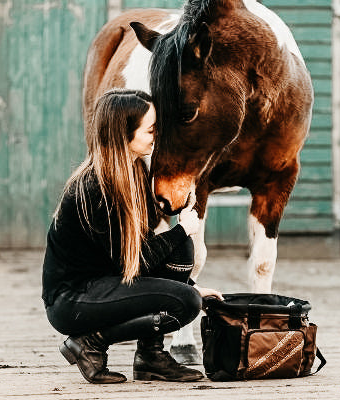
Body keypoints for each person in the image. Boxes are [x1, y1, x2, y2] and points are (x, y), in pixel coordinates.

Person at [42, 89, 223, 384]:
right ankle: (90, 342)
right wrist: (182, 231)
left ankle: (150, 357)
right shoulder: (95, 188)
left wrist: (192, 283)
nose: (157, 135)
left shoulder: (135, 172)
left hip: (107, 282)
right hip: (73, 301)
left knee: (181, 254)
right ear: (124, 133)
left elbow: (143, 250)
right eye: (151, 129)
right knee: (186, 302)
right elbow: (134, 260)